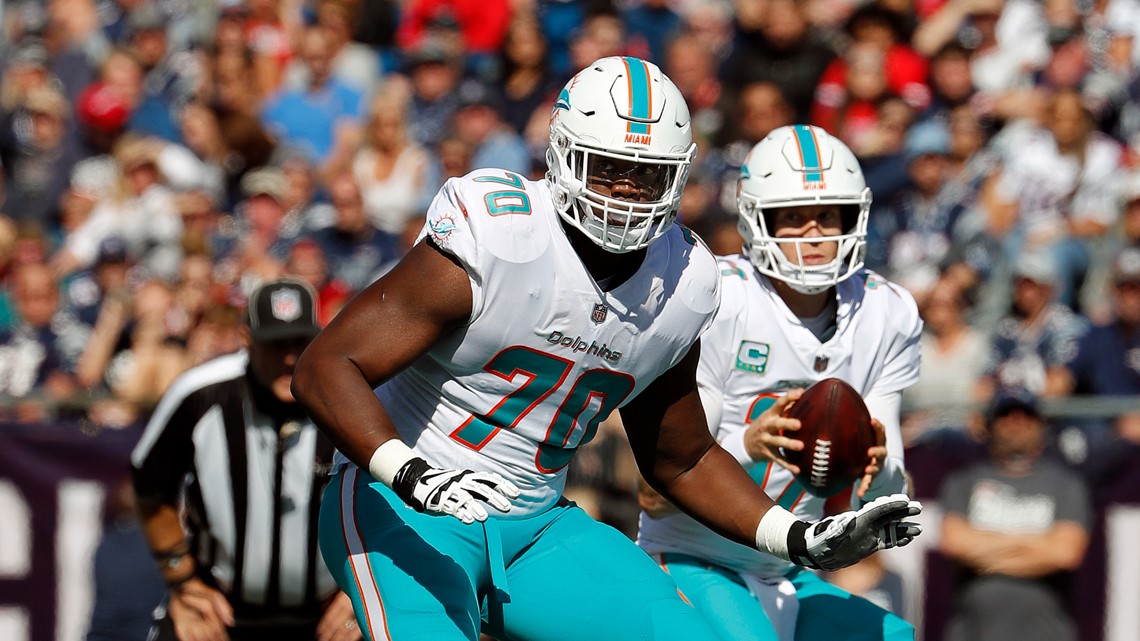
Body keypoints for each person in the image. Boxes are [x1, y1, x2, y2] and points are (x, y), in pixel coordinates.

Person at [291, 57, 921, 641]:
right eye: (609, 167)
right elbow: (326, 365)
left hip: (537, 526)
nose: (625, 190)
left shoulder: (685, 281)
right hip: (405, 503)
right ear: (563, 156)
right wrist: (409, 472)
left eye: (647, 175)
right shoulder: (501, 233)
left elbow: (682, 456)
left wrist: (801, 537)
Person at [636, 124, 923, 641]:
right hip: (692, 557)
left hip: (790, 568)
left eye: (827, 215)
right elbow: (654, 491)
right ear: (755, 219)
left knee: (895, 636)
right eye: (792, 217)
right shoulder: (718, 298)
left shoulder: (888, 311)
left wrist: (878, 474)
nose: (814, 234)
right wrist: (749, 444)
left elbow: (894, 490)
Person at [131, 277, 360, 641]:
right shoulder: (201, 394)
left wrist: (363, 593)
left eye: (299, 342)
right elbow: (150, 485)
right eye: (275, 344)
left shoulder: (351, 394)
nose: (288, 357)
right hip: (221, 612)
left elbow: (395, 497)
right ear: (247, 339)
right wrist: (183, 583)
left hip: (332, 613)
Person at [939, 388, 1091, 641]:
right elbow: (955, 543)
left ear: (1041, 424)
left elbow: (1065, 553)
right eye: (1006, 415)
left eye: (1026, 416)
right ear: (990, 424)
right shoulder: (962, 482)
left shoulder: (1066, 485)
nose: (1016, 423)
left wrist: (985, 556)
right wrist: (1036, 545)